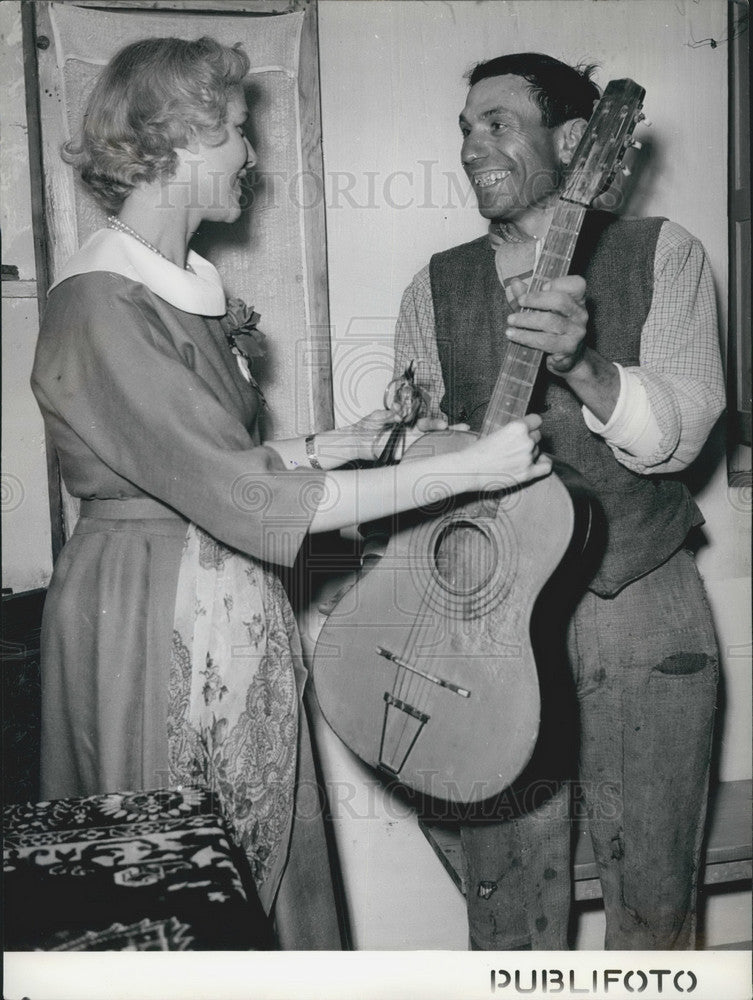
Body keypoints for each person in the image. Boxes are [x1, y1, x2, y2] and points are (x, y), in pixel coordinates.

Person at [30, 37, 549, 950]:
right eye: (234, 131)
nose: (250, 156)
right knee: (178, 888)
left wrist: (321, 445)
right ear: (181, 140)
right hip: (152, 612)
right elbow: (248, 501)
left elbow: (195, 456)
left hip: (217, 588)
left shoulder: (165, 289)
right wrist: (468, 469)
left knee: (259, 858)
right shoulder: (101, 301)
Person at [393, 52, 725, 949]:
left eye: (497, 123)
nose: (471, 147)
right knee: (503, 900)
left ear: (575, 141)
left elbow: (685, 433)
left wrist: (582, 365)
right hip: (494, 617)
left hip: (638, 598)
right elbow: (409, 452)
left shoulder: (666, 253)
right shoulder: (434, 283)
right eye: (464, 128)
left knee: (653, 894)